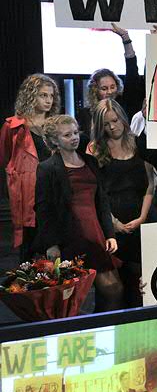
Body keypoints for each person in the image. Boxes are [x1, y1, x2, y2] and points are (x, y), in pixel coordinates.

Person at [35, 115, 122, 311]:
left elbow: (102, 202)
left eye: (75, 133)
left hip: (95, 232)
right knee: (71, 297)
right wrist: (51, 243)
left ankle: (104, 327)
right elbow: (43, 208)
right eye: (67, 135)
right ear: (55, 141)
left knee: (113, 289)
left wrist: (110, 234)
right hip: (69, 235)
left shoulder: (90, 161)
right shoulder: (47, 168)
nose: (74, 137)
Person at [90, 99, 155, 307]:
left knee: (137, 286)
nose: (112, 127)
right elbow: (95, 193)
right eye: (106, 124)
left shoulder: (136, 144)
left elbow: (149, 185)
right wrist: (112, 223)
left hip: (138, 220)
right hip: (109, 224)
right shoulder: (95, 149)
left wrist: (142, 217)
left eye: (115, 121)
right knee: (111, 292)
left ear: (122, 118)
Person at [0, 74, 60, 260]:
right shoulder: (13, 127)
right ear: (30, 95)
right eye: (43, 95)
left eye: (51, 96)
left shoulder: (58, 125)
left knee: (58, 251)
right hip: (27, 196)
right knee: (29, 250)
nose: (48, 100)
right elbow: (5, 159)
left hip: (54, 193)